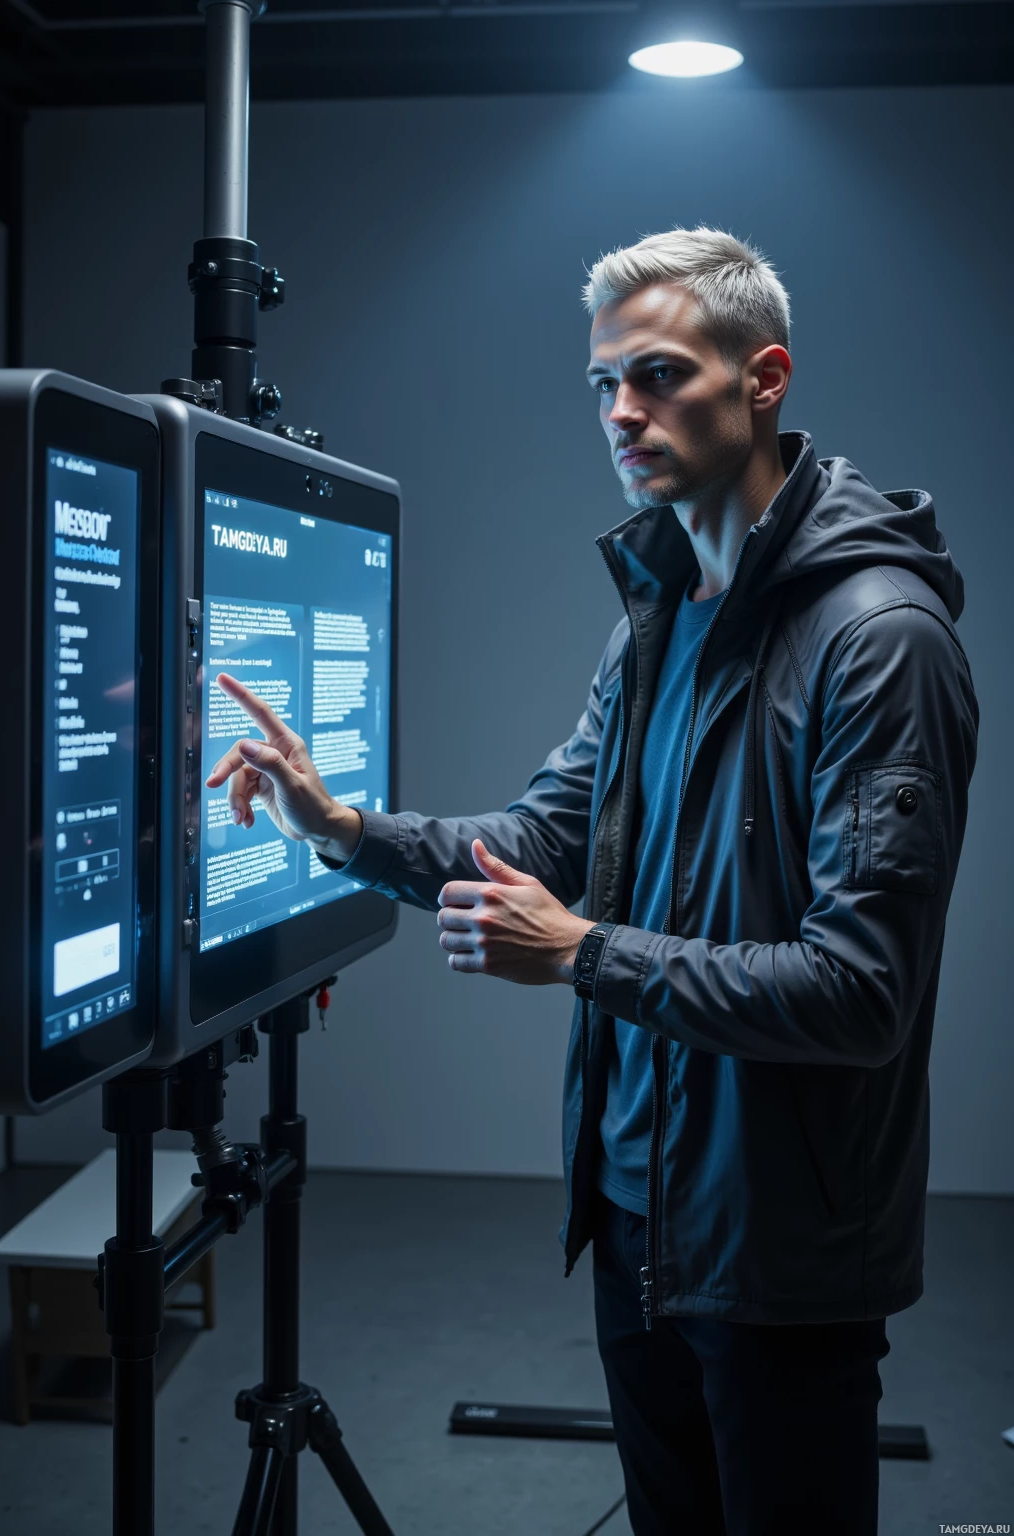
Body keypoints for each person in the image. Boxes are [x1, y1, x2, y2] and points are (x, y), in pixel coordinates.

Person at [206, 227, 979, 1535]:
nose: (623, 410)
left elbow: (862, 994)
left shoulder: (881, 641)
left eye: (662, 374)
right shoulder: (656, 623)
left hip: (782, 1258)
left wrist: (580, 956)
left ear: (765, 377)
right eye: (605, 382)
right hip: (638, 1222)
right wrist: (339, 826)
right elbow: (541, 842)